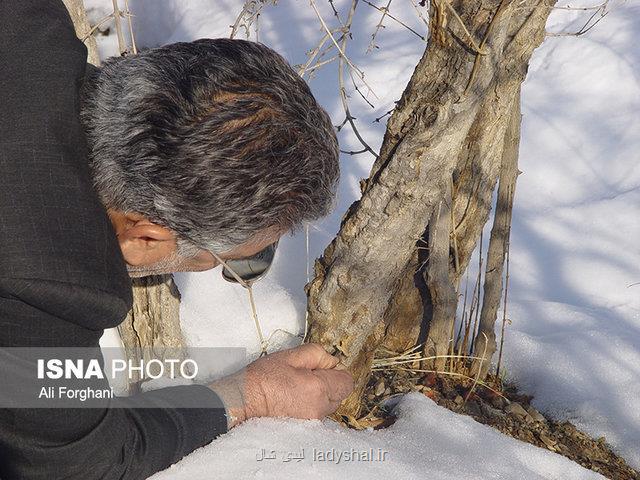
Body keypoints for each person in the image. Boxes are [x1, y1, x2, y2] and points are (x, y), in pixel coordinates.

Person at [0, 1, 354, 479]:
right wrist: (252, 395)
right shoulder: (51, 290)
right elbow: (79, 462)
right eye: (237, 261)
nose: (235, 269)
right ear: (145, 237)